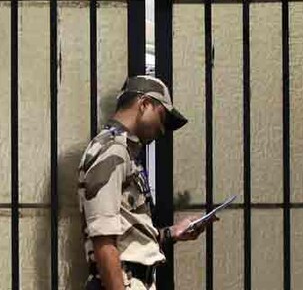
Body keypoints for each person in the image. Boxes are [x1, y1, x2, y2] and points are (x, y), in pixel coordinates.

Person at [77, 75, 215, 290]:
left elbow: (127, 237)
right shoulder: (112, 151)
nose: (162, 130)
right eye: (162, 117)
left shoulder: (123, 152)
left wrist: (172, 233)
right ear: (144, 104)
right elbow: (103, 240)